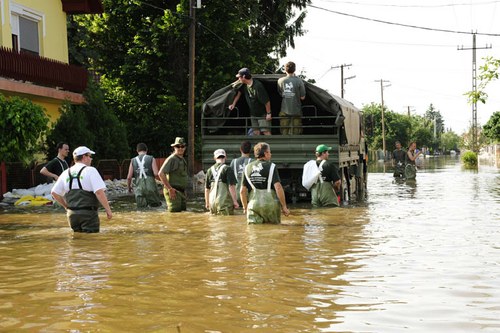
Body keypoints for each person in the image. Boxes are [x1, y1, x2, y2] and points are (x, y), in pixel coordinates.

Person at [51, 146, 112, 233]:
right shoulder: (91, 170)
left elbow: (54, 192)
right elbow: (99, 192)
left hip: (72, 215)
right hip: (88, 215)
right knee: (91, 241)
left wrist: (66, 206)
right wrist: (108, 210)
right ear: (84, 157)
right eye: (90, 156)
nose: (91, 159)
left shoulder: (66, 172)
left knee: (77, 241)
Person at [240, 142, 290, 224]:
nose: (271, 154)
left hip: (253, 205)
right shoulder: (272, 166)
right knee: (273, 232)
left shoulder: (247, 168)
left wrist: (245, 207)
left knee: (254, 233)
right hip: (270, 205)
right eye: (269, 152)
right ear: (266, 153)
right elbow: (278, 187)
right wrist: (284, 206)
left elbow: (242, 191)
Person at [229, 68, 272, 136]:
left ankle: (271, 146)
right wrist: (233, 104)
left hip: (262, 114)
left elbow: (266, 101)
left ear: (243, 77)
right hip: (253, 114)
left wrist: (268, 113)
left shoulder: (258, 86)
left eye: (239, 77)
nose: (238, 79)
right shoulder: (243, 85)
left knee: (266, 132)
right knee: (256, 132)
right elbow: (238, 94)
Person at [126, 143, 162, 208]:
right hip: (151, 187)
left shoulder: (133, 160)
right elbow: (156, 173)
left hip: (139, 189)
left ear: (137, 151)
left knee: (142, 210)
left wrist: (129, 188)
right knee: (156, 208)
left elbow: (129, 177)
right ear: (146, 150)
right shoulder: (151, 158)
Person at [205, 149, 239, 215]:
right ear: (226, 157)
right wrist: (235, 201)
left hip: (212, 203)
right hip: (224, 204)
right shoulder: (227, 169)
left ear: (214, 158)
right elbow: (231, 186)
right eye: (221, 157)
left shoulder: (209, 170)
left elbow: (207, 189)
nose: (221, 158)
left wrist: (207, 203)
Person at [158, 137, 188, 212]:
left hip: (181, 192)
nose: (180, 148)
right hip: (173, 192)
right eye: (178, 146)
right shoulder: (171, 159)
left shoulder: (183, 159)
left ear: (185, 148)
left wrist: (184, 190)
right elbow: (161, 173)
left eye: (182, 146)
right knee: (174, 214)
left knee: (182, 214)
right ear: (174, 147)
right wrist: (170, 189)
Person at [277, 61, 306, 135]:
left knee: (284, 133)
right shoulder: (299, 81)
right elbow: (302, 97)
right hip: (296, 111)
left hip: (284, 110)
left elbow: (280, 93)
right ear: (295, 70)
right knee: (296, 134)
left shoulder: (280, 81)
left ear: (285, 70)